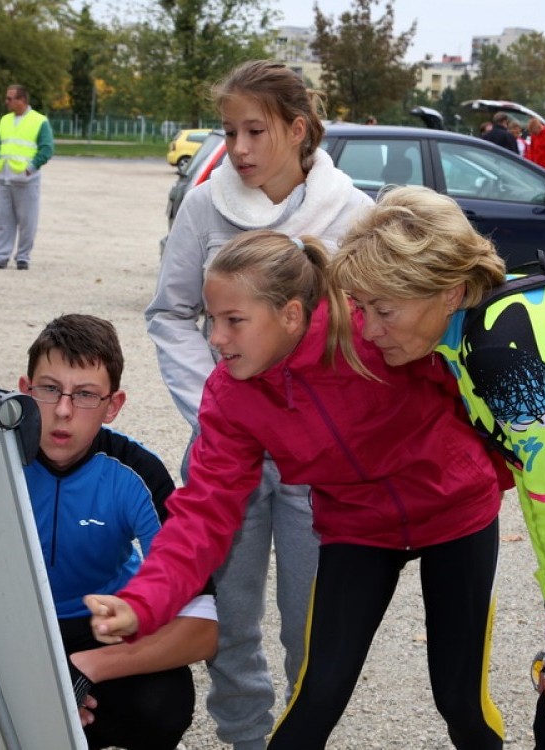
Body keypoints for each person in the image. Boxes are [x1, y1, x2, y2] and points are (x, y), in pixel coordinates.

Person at [88, 229, 508, 750]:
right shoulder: (230, 395)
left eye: (233, 321)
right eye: (211, 320)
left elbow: (472, 383)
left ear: (290, 315)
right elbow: (202, 513)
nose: (215, 338)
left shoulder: (370, 331)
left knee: (460, 700)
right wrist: (142, 602)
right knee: (316, 698)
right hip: (357, 528)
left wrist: (492, 473)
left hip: (455, 514)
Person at [328, 184, 545, 750]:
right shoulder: (482, 330)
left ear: (450, 290)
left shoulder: (495, 350)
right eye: (362, 309)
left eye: (384, 310)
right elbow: (543, 479)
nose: (371, 329)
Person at [144, 59, 372, 750]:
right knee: (231, 616)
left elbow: (370, 334)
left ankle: (302, 737)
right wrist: (212, 412)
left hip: (319, 462)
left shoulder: (355, 214)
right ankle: (244, 737)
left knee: (312, 617)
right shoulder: (205, 202)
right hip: (227, 452)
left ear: (297, 129)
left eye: (254, 131)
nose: (237, 149)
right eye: (228, 131)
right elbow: (170, 312)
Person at [19, 313, 218, 750]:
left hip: (101, 628)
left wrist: (86, 668)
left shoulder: (136, 473)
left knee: (161, 704)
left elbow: (205, 628)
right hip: (12, 626)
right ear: (24, 390)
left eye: (86, 395)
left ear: (114, 405)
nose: (64, 410)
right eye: (49, 389)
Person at [0, 84, 53, 270]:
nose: (6, 102)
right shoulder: (4, 120)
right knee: (2, 219)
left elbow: (47, 148)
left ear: (22, 100)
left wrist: (30, 168)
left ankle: (23, 257)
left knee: (27, 221)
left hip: (26, 180)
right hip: (4, 179)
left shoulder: (39, 121)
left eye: (9, 98)